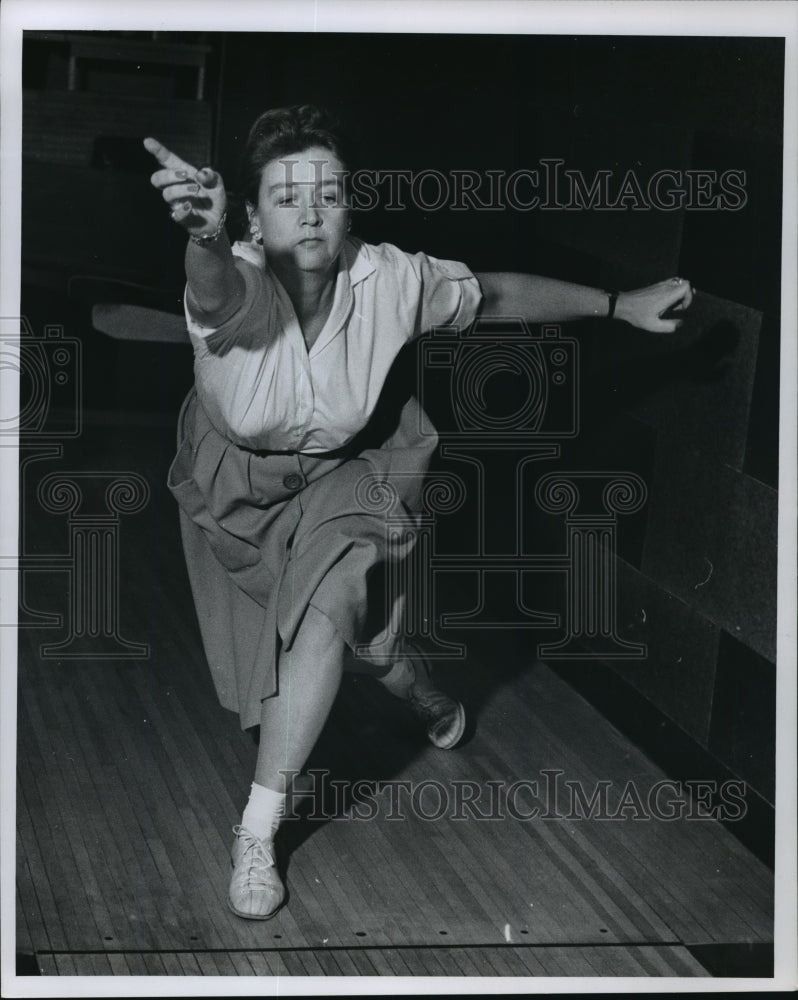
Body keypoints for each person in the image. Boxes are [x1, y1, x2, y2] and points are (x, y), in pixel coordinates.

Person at [144, 104, 693, 922]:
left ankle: (257, 831)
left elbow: (498, 293)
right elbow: (213, 286)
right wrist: (204, 237)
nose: (313, 211)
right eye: (287, 196)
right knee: (380, 655)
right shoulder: (237, 281)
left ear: (351, 205)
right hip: (236, 487)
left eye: (329, 192)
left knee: (326, 615)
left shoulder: (393, 277)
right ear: (251, 216)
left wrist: (618, 304)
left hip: (351, 469)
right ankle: (427, 697)